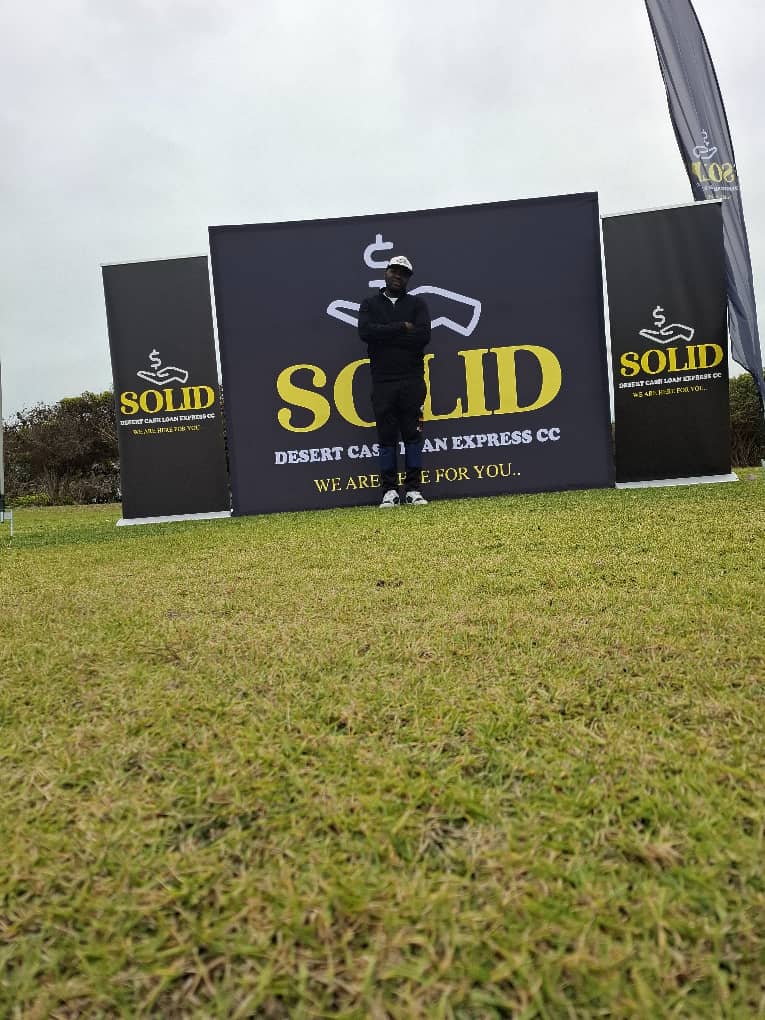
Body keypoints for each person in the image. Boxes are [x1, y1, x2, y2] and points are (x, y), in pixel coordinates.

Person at [358, 255, 431, 507]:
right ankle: (389, 491)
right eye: (394, 271)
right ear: (386, 272)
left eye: (404, 273)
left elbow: (422, 337)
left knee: (413, 435)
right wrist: (401, 327)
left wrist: (385, 334)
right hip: (382, 383)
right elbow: (366, 333)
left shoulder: (417, 304)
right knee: (386, 437)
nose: (398, 276)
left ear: (408, 278)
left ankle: (413, 490)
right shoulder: (369, 304)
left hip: (412, 381)